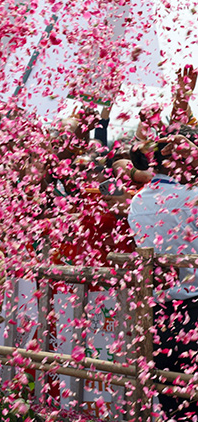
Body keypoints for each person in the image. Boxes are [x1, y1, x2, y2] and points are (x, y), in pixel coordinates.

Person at [128, 130, 198, 420]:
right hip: (193, 310)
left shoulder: (136, 203)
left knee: (173, 401)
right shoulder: (191, 198)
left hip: (158, 314)